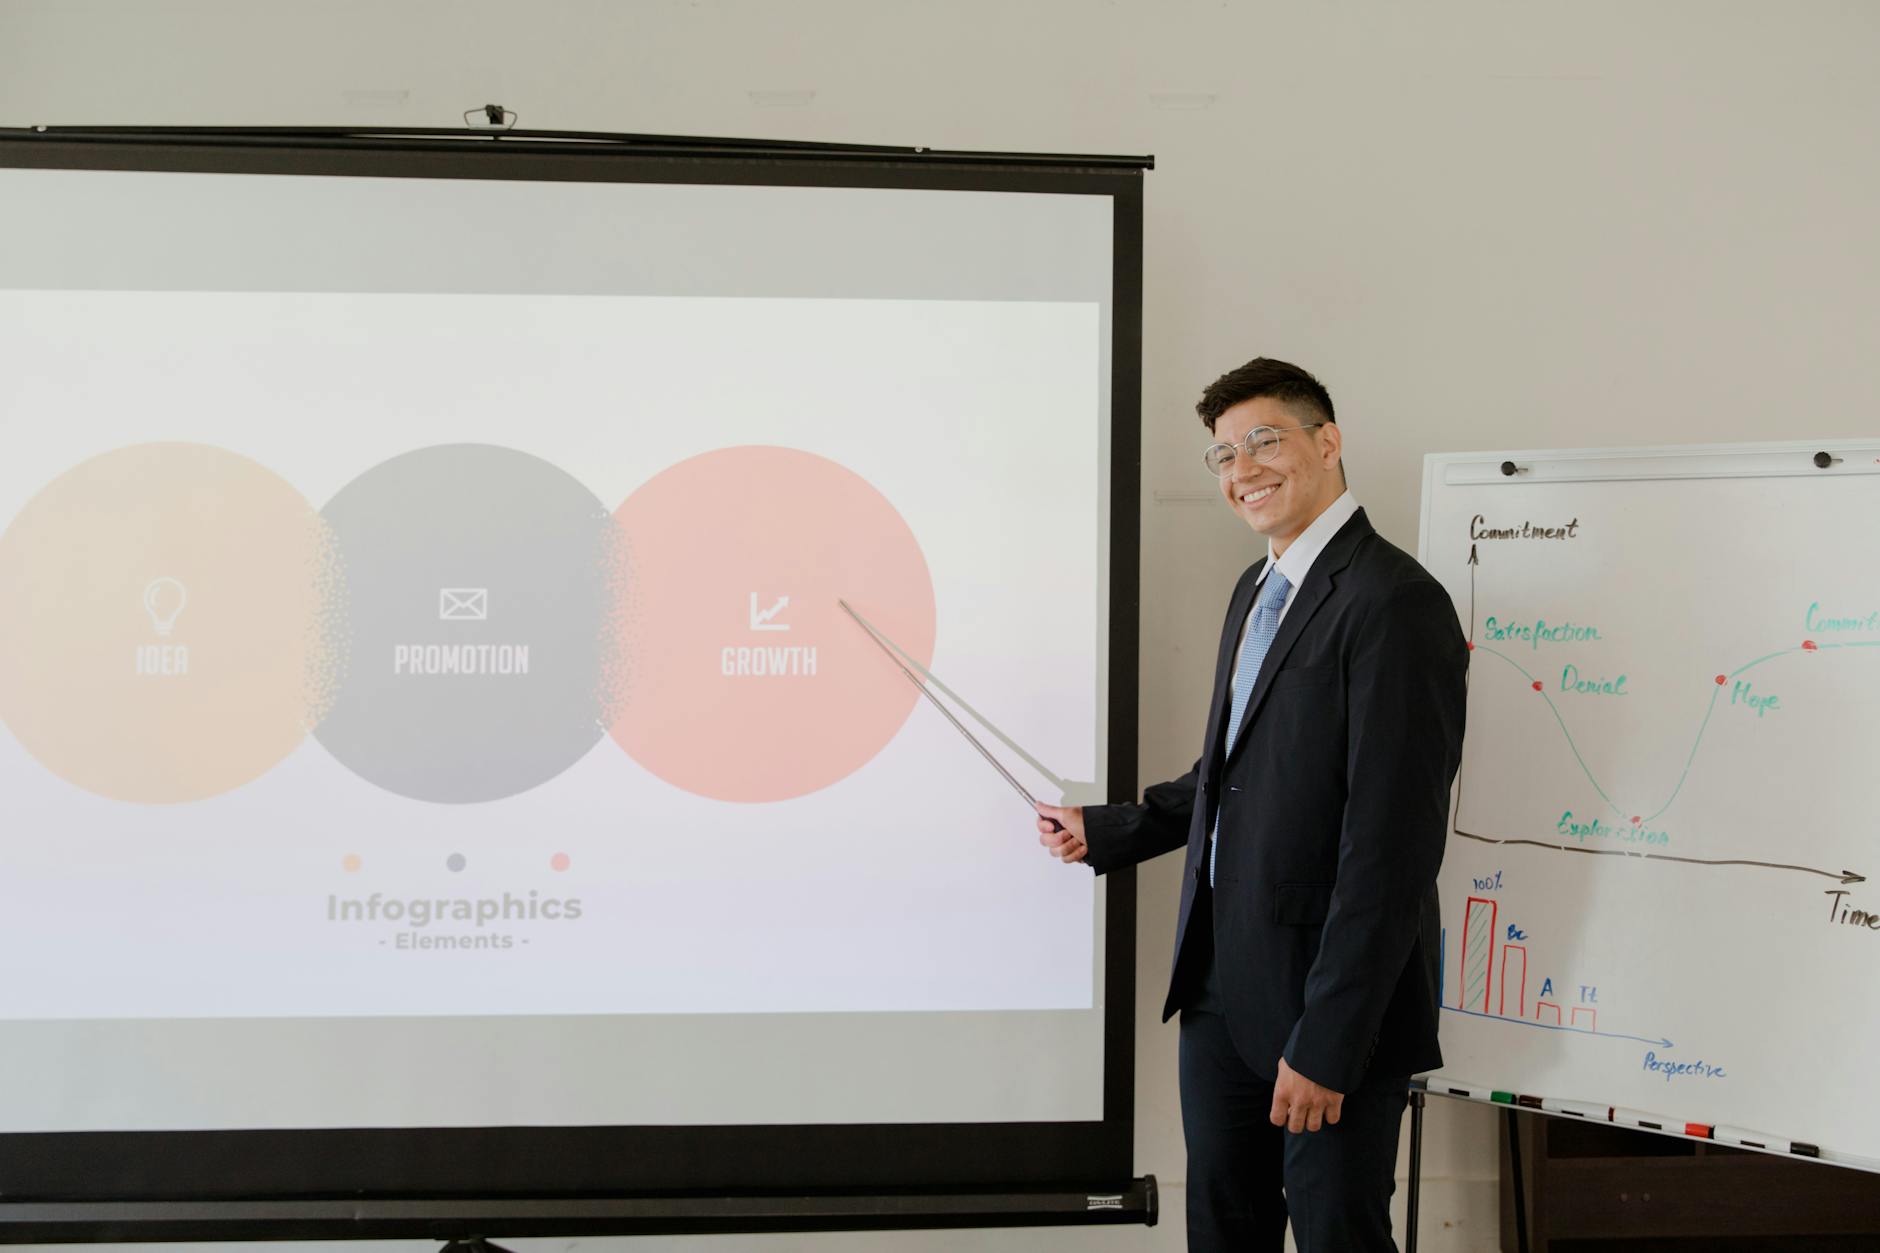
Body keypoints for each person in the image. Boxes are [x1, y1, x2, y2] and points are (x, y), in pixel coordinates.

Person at [1037, 357, 1467, 1253]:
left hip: (1326, 1008)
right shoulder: (1257, 588)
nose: (1243, 471)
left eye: (1264, 441)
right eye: (1224, 455)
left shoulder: (1395, 602)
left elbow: (1392, 848)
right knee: (1221, 1231)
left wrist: (1330, 1039)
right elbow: (1233, 770)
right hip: (1222, 992)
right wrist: (1111, 827)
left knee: (1335, 1236)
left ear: (1328, 441)